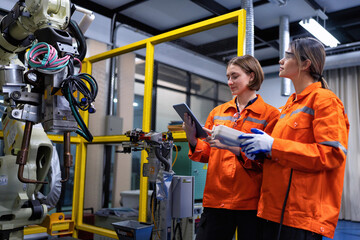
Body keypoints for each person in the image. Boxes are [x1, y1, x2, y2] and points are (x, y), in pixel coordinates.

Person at [239, 38, 350, 240]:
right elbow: (282, 156)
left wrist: (273, 145)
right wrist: (259, 151)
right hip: (272, 211)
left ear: (305, 64)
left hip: (300, 215)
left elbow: (332, 154)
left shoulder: (325, 100)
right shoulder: (289, 107)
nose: (281, 60)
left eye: (287, 55)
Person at [182, 55, 280, 240]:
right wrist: (192, 139)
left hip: (251, 203)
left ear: (251, 76)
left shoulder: (270, 115)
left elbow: (268, 161)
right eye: (228, 76)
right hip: (216, 200)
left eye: (235, 76)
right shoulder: (217, 113)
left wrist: (234, 148)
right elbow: (206, 154)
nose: (229, 82)